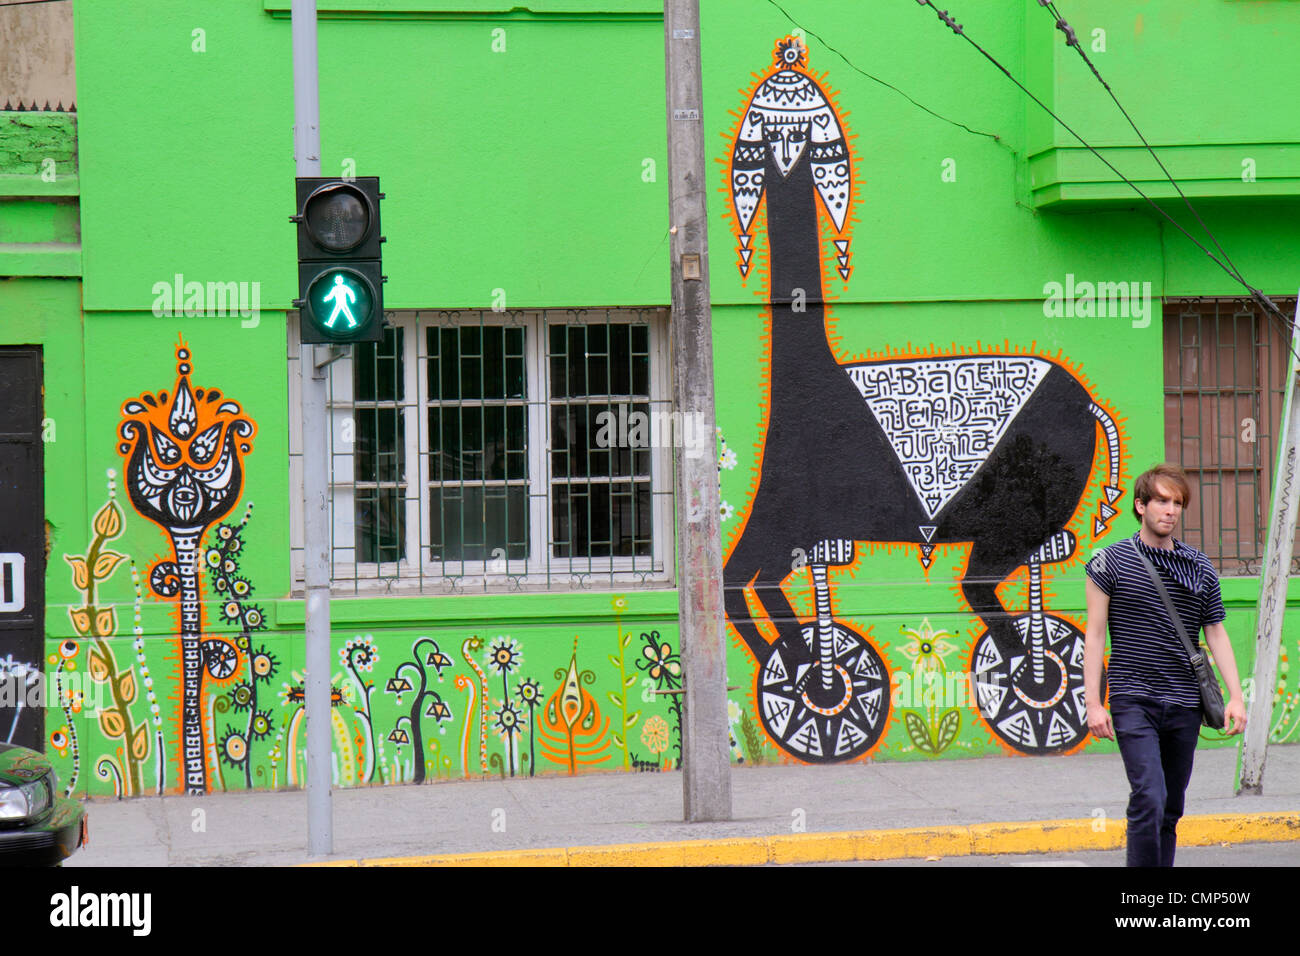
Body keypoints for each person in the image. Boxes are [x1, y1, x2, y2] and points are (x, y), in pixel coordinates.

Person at [1083, 462, 1247, 867]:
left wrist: (1236, 696)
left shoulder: (1199, 566)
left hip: (1184, 702)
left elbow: (1216, 633)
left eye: (1176, 503)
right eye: (1160, 500)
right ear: (1140, 505)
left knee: (1171, 809)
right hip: (1132, 698)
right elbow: (1095, 633)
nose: (1170, 510)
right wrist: (1092, 703)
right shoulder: (1109, 562)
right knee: (1149, 798)